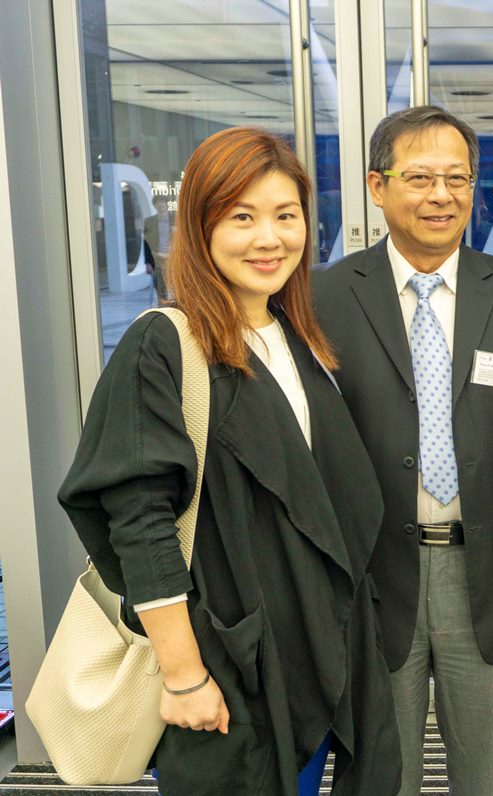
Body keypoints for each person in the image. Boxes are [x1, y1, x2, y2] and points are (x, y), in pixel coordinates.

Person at [57, 127, 400, 795]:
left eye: (286, 215)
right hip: (232, 666)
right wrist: (184, 675)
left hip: (319, 653)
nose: (269, 238)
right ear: (200, 224)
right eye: (242, 217)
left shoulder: (295, 337)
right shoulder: (164, 344)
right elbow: (140, 521)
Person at [314, 106, 493, 796]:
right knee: (380, 775)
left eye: (457, 179)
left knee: (490, 775)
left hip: (487, 574)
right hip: (373, 579)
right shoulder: (324, 296)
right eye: (421, 178)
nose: (442, 195)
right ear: (377, 187)